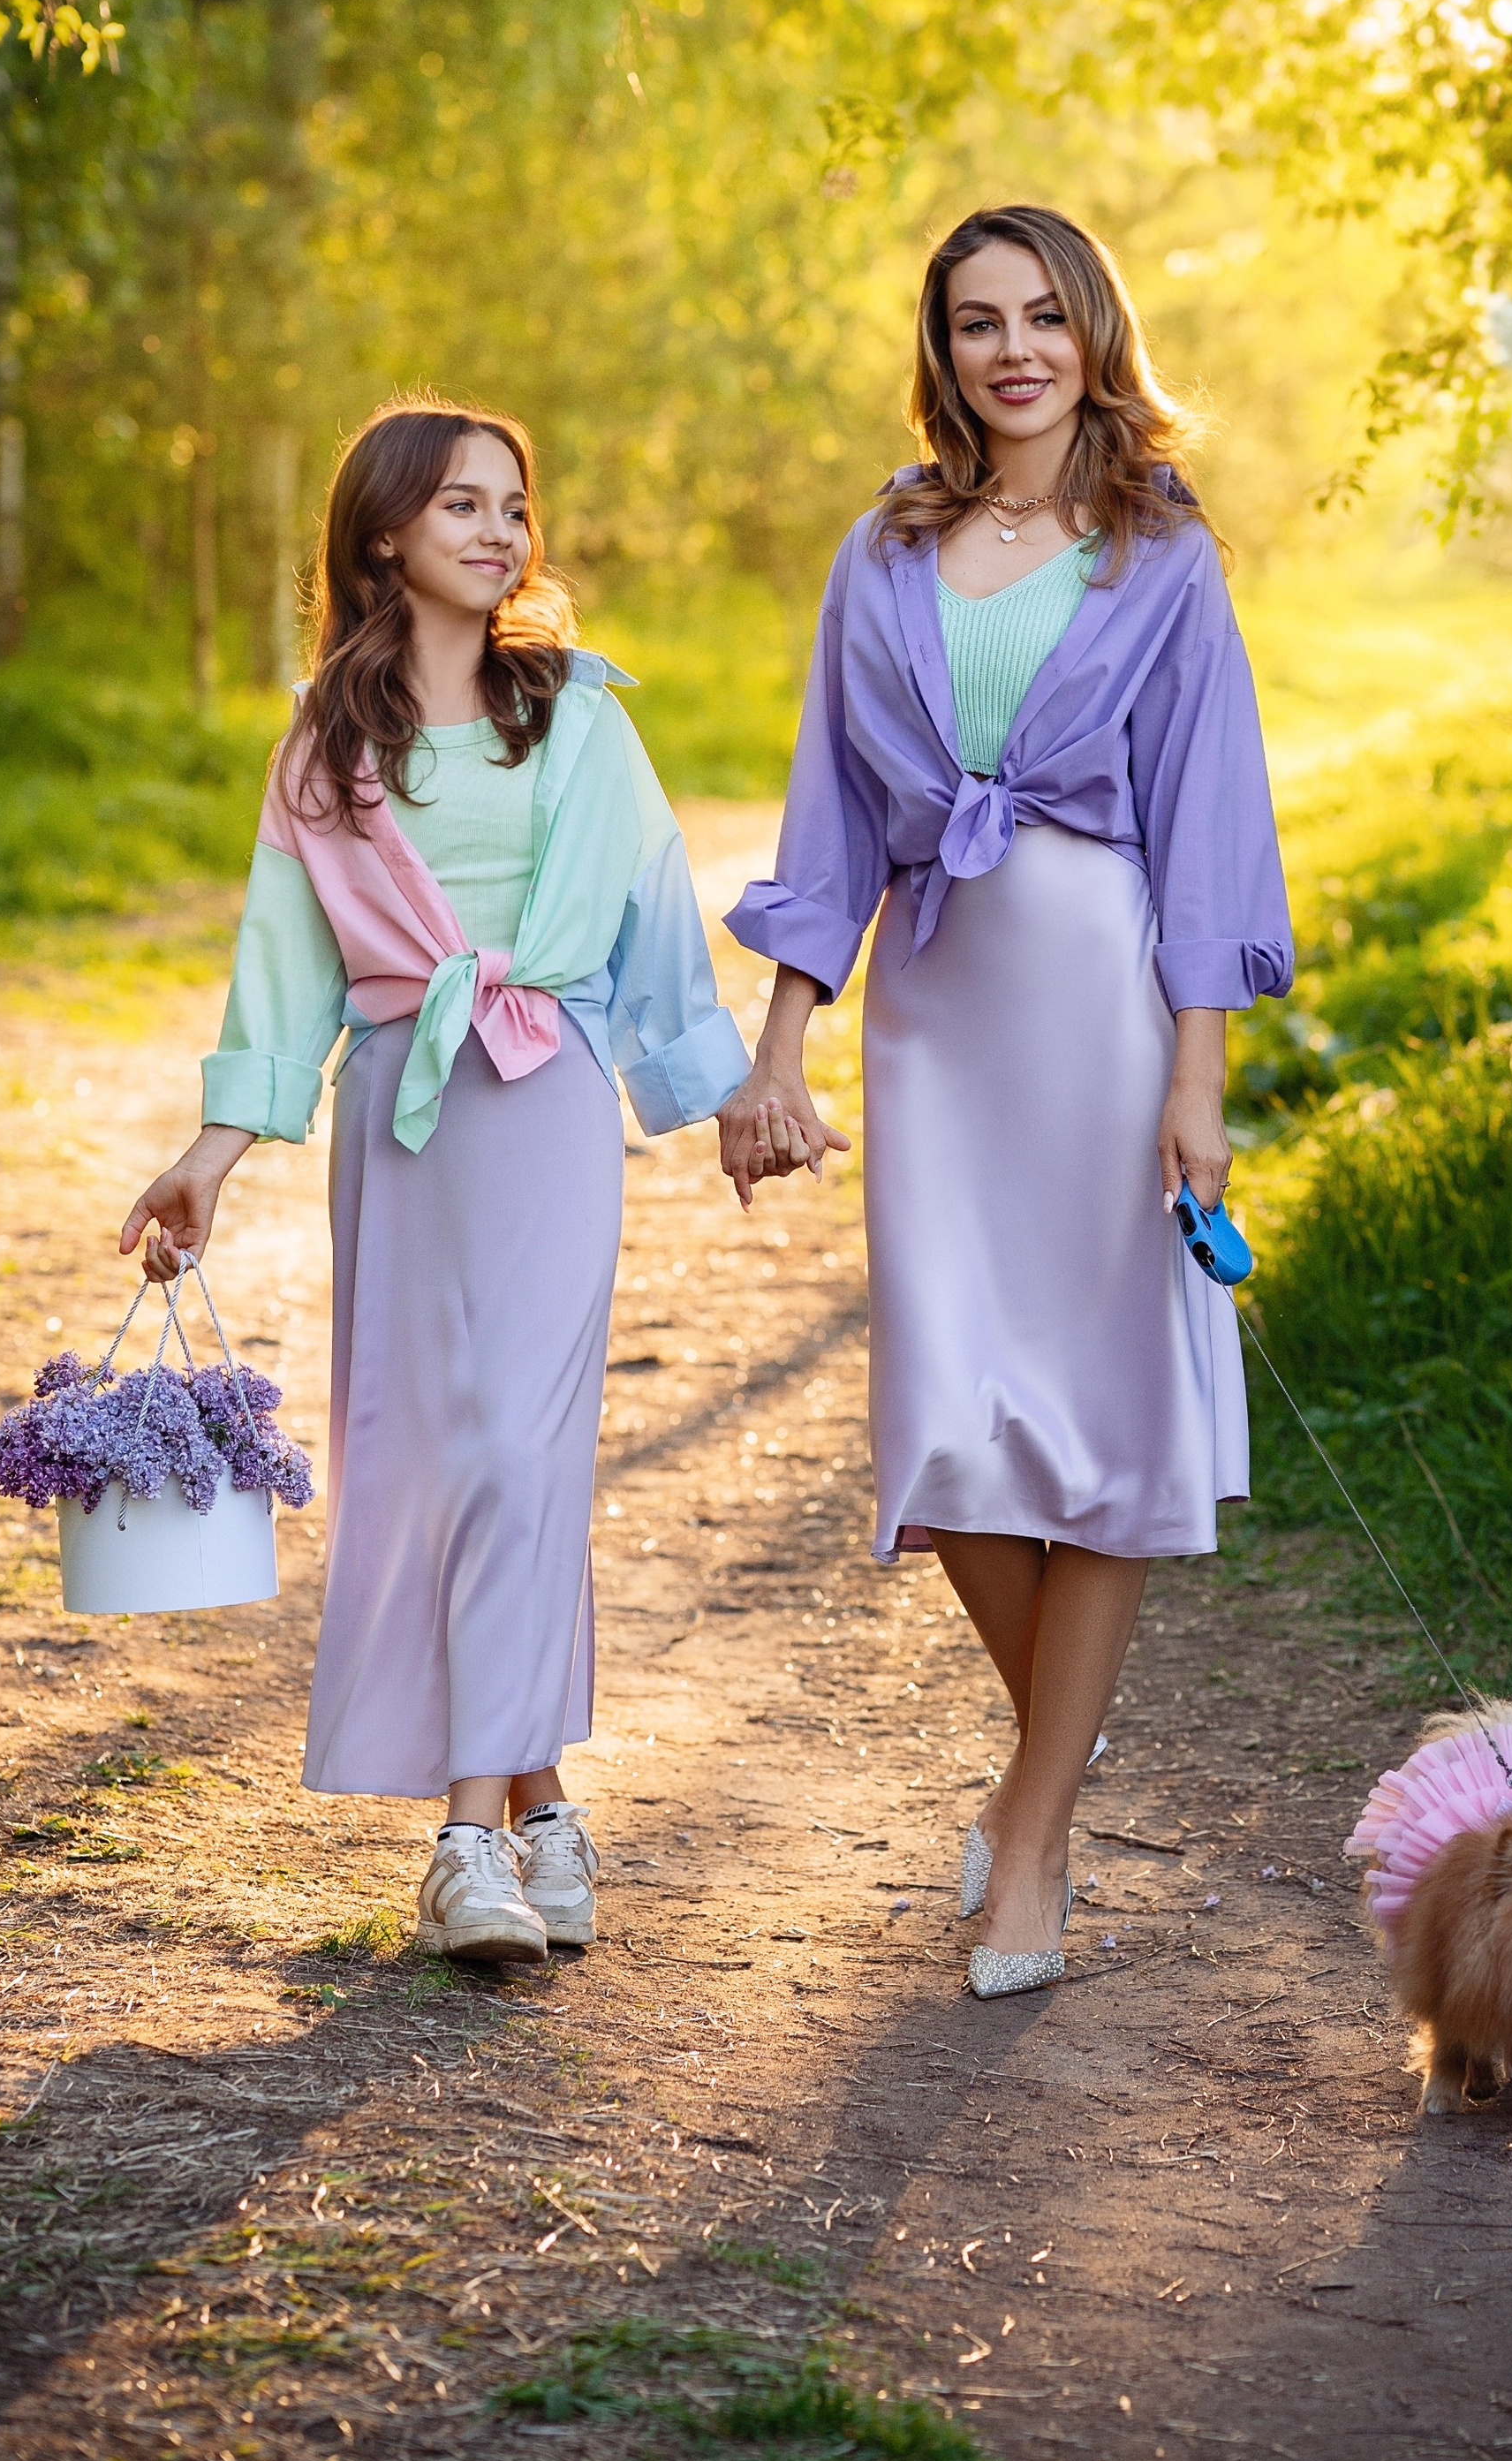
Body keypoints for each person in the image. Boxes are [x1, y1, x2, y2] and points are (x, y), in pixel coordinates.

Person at [721, 205, 1292, 1996]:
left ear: (1090, 331)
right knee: (949, 1424)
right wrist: (779, 1043)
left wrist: (1197, 1077)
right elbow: (828, 817)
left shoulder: (1162, 555)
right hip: (938, 1021)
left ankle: (1031, 1848)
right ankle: (1061, 1743)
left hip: (1106, 1014)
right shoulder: (880, 554)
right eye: (977, 323)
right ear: (943, 354)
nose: (1012, 349)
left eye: (1043, 316)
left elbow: (1208, 830)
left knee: (1108, 1434)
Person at [120, 398, 747, 1960]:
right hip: (401, 1115)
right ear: (385, 532)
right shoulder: (326, 749)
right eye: (460, 504)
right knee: (436, 1453)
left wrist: (728, 1098)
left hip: (541, 1104)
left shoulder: (587, 719)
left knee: (521, 1450)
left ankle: (465, 1837)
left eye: (515, 505)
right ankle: (543, 1810)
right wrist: (213, 1154)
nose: (498, 529)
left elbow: (659, 918)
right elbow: (282, 968)